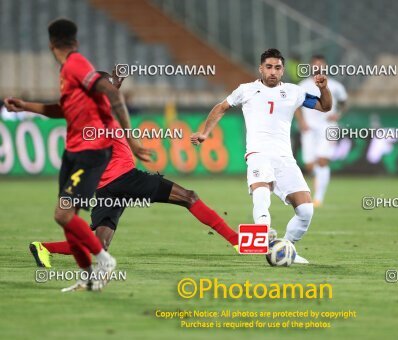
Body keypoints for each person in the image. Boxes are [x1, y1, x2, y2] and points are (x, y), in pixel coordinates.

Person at [30, 71, 239, 276]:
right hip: (123, 178)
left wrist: (115, 79)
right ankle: (236, 241)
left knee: (101, 244)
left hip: (105, 188)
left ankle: (44, 247)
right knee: (189, 197)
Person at [3, 18, 150, 291]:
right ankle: (90, 274)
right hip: (74, 152)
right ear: (75, 40)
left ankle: (103, 260)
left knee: (64, 214)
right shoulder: (67, 71)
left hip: (91, 152)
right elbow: (62, 109)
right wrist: (25, 105)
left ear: (50, 44)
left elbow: (109, 91)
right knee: (66, 217)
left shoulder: (75, 64)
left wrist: (130, 136)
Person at [191, 48, 332, 264]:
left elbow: (325, 106)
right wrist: (204, 133)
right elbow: (221, 107)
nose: (273, 72)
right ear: (260, 68)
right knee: (261, 194)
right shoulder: (246, 90)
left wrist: (324, 88)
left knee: (306, 210)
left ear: (282, 70)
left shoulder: (294, 92)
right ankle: (262, 235)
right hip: (258, 153)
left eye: (277, 67)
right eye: (268, 67)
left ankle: (286, 248)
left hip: (285, 158)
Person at [295, 55, 348, 207]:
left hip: (327, 127)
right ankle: (314, 192)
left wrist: (338, 113)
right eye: (315, 65)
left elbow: (344, 103)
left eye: (321, 65)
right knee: (310, 165)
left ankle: (318, 198)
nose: (318, 67)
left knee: (322, 161)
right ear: (311, 66)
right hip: (309, 128)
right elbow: (296, 106)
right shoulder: (303, 85)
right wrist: (302, 122)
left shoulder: (336, 86)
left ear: (325, 66)